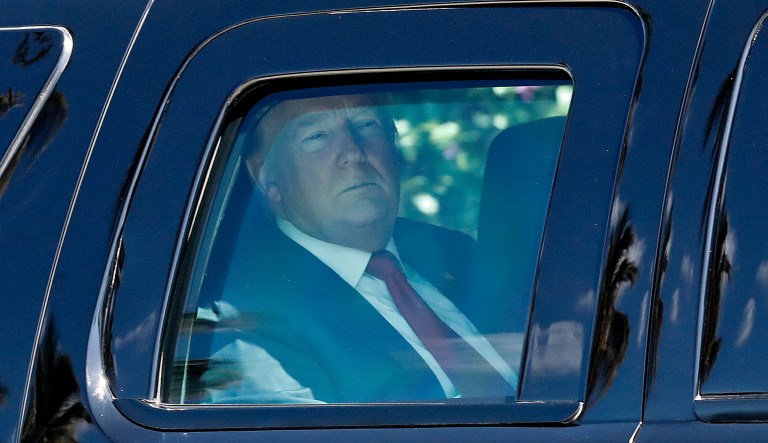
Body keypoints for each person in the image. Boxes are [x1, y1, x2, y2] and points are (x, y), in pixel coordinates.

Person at [200, 92, 519, 404]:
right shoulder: (244, 317)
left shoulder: (457, 252)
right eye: (317, 135)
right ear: (266, 176)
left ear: (394, 147)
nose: (353, 151)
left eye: (367, 124)